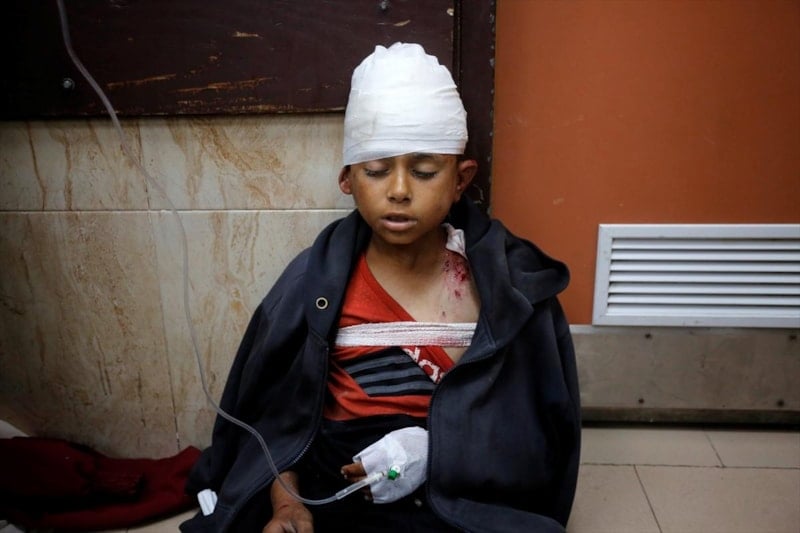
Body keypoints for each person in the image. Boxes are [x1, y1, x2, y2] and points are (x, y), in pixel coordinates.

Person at [180, 42, 580, 533]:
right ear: (348, 179)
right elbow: (276, 427)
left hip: (461, 486)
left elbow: (537, 433)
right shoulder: (312, 287)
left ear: (461, 179)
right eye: (375, 170)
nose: (399, 190)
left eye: (425, 171)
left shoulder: (510, 291)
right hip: (336, 485)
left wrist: (437, 452)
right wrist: (288, 506)